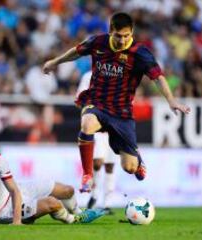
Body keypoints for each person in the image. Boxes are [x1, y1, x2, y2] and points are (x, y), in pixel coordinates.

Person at [43, 12, 190, 193]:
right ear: (111, 31)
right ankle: (87, 176)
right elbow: (77, 51)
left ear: (132, 32)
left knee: (129, 167)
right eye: (118, 36)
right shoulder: (98, 42)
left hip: (121, 112)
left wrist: (171, 101)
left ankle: (136, 158)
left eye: (126, 36)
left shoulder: (140, 53)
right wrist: (55, 62)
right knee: (87, 124)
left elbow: (158, 77)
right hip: (96, 101)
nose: (122, 40)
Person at [77, 71, 116, 213]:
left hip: (114, 127)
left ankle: (107, 203)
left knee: (110, 165)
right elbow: (80, 99)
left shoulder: (119, 72)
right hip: (98, 126)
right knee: (98, 162)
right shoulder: (88, 76)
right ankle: (94, 196)